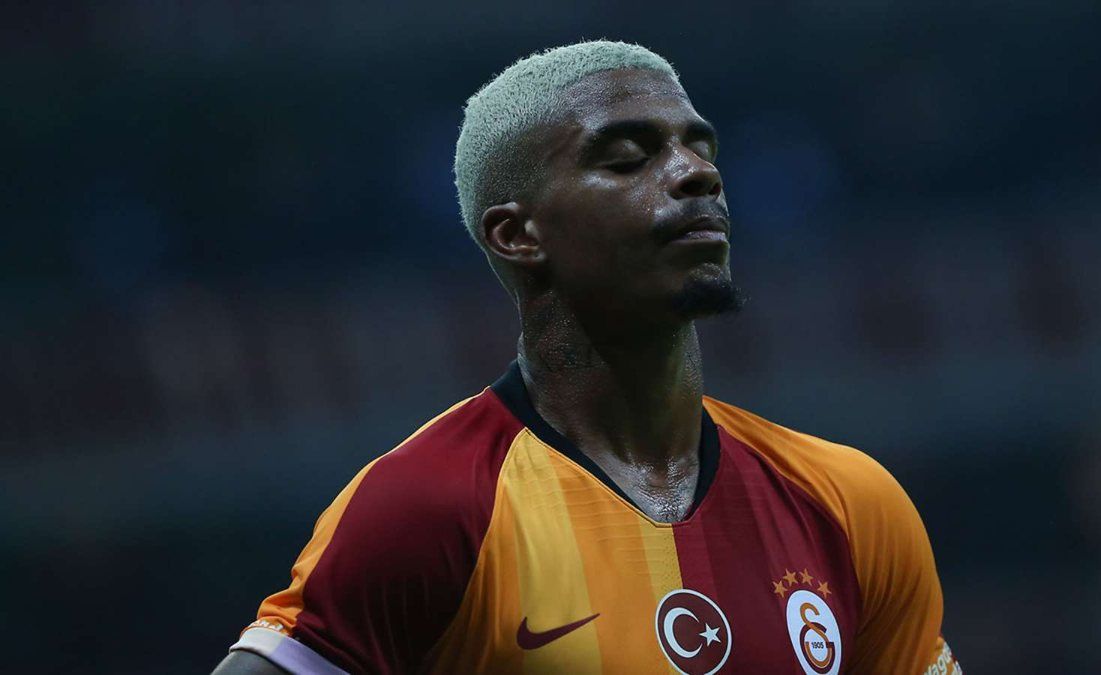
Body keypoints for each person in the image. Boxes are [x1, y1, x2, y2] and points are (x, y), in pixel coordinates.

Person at [214, 40, 961, 675]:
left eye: (701, 149)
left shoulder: (848, 503)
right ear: (518, 236)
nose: (696, 173)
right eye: (630, 158)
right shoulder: (428, 507)